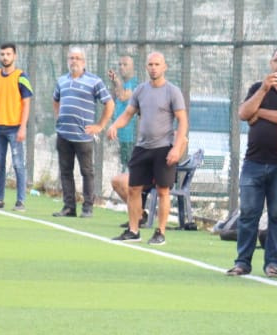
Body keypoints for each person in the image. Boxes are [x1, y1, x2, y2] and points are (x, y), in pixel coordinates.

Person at [228, 46, 277, 277]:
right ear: (271, 63)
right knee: (248, 214)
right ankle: (242, 262)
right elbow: (244, 113)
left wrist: (261, 113)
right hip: (253, 162)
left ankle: (272, 263)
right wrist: (263, 90)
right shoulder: (258, 87)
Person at [106, 52, 188, 246]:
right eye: (150, 64)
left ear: (164, 67)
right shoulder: (140, 90)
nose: (153, 68)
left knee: (163, 190)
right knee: (133, 188)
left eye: (157, 64)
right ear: (146, 67)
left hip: (164, 148)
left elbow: (182, 121)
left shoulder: (172, 91)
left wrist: (176, 149)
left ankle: (160, 232)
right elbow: (128, 113)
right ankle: (134, 230)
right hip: (143, 147)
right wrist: (115, 126)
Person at [52, 46, 113, 218]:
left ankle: (87, 207)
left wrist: (100, 126)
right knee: (65, 171)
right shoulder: (62, 81)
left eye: (77, 58)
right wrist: (58, 117)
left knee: (87, 172)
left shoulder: (94, 81)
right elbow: (55, 100)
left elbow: (109, 103)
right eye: (71, 58)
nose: (74, 61)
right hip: (63, 134)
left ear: (84, 62)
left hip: (83, 136)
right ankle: (69, 207)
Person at [0, 43, 33, 211]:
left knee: (18, 164)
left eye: (8, 54)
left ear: (14, 56)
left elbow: (26, 104)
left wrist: (23, 127)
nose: (5, 57)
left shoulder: (21, 77)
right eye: (2, 54)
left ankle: (20, 201)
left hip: (14, 128)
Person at [107, 55, 138, 172]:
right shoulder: (123, 83)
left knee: (130, 167)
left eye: (125, 65)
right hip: (120, 133)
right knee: (123, 166)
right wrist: (114, 83)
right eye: (120, 64)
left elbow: (123, 96)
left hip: (130, 135)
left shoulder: (134, 83)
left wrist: (117, 81)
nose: (121, 67)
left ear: (133, 67)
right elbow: (113, 99)